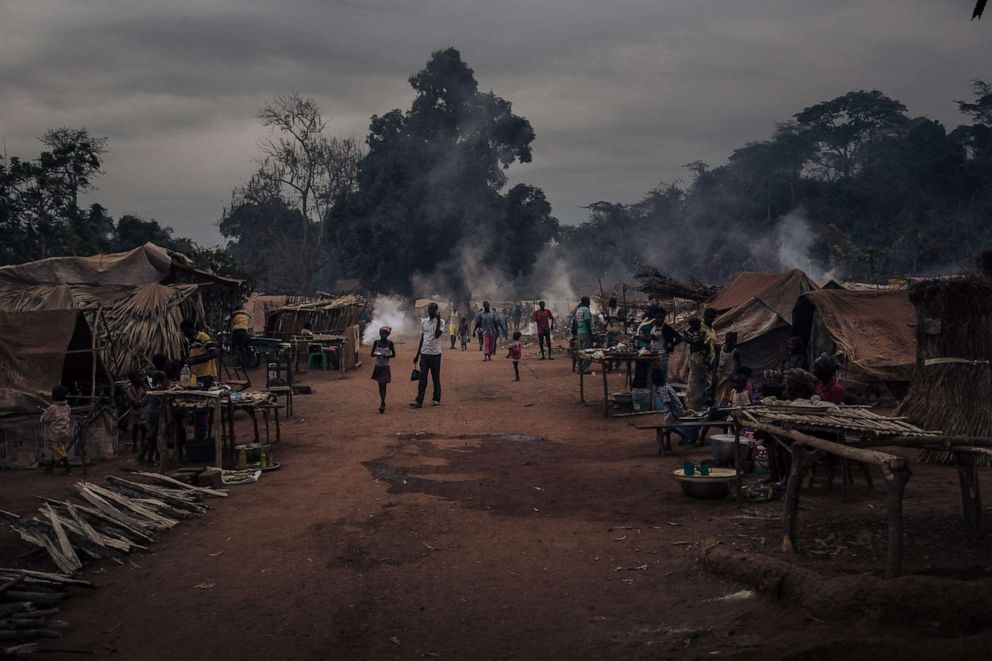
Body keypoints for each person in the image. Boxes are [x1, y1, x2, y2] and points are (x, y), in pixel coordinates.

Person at [411, 303, 445, 408]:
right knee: (422, 378)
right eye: (429, 309)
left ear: (436, 311)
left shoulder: (441, 322)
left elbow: (437, 334)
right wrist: (417, 354)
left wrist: (438, 320)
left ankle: (436, 399)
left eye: (432, 310)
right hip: (424, 354)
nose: (430, 311)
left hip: (435, 354)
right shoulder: (424, 322)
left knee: (435, 378)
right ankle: (419, 400)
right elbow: (422, 338)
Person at [41, 386, 72, 474]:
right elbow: (68, 415)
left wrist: (44, 414)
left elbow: (45, 420)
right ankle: (50, 468)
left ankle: (68, 468)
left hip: (55, 434)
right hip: (64, 432)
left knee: (59, 450)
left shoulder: (52, 408)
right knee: (58, 449)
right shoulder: (67, 407)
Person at [180, 320, 219, 388]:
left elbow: (213, 353)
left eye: (184, 331)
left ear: (188, 329)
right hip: (196, 375)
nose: (184, 334)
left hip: (205, 374)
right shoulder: (191, 341)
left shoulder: (203, 336)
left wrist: (195, 360)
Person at [683, 317, 709, 411]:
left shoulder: (701, 332)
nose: (699, 325)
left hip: (700, 358)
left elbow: (701, 343)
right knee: (694, 382)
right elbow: (698, 343)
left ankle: (696, 405)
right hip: (696, 358)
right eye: (697, 324)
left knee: (699, 382)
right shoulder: (690, 333)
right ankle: (692, 406)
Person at [371, 326, 396, 413]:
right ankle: (383, 401)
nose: (383, 335)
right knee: (380, 385)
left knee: (383, 384)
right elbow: (372, 354)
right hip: (378, 366)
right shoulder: (376, 342)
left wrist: (387, 356)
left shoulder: (390, 343)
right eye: (382, 333)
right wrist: (376, 354)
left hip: (385, 367)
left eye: (385, 334)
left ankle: (382, 403)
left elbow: (394, 355)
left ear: (388, 335)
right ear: (380, 334)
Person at [714, 331, 741, 405]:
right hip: (719, 374)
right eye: (728, 341)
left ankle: (722, 408)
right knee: (718, 393)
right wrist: (714, 374)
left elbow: (738, 365)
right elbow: (716, 361)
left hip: (728, 377)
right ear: (725, 340)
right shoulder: (721, 348)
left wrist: (733, 374)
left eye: (731, 342)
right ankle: (717, 406)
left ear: (734, 342)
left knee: (725, 394)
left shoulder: (735, 352)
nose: (729, 343)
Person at [126, 371, 148, 452]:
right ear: (133, 380)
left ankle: (142, 443)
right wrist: (134, 403)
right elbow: (128, 399)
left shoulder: (144, 387)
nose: (140, 379)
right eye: (138, 378)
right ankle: (135, 444)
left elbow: (146, 397)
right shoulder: (129, 389)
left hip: (142, 410)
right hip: (134, 410)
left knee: (142, 427)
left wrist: (140, 402)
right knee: (135, 427)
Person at [573, 296, 594, 374]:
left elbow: (575, 323)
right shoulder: (586, 310)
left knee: (580, 351)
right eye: (588, 301)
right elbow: (587, 322)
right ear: (586, 301)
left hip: (579, 333)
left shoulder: (578, 310)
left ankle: (579, 368)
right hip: (585, 333)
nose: (589, 303)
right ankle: (584, 370)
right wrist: (591, 334)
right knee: (587, 351)